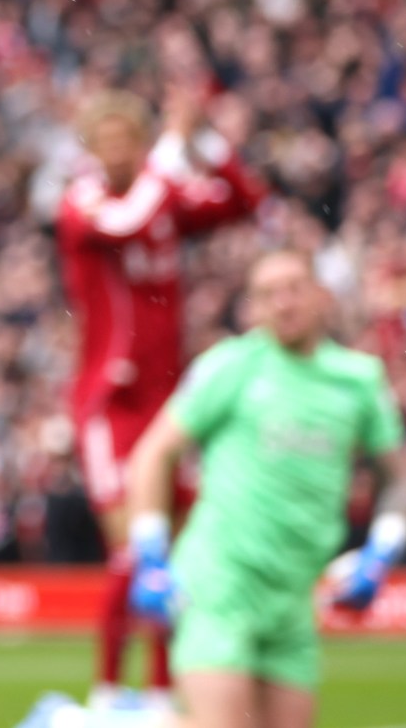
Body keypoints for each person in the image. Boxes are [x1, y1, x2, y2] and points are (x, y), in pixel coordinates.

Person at [125, 251, 406, 728]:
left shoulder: (359, 379)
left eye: (294, 288)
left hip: (294, 598)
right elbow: (153, 455)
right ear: (253, 309)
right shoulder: (230, 367)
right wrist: (151, 556)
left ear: (321, 295)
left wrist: (382, 552)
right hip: (221, 585)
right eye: (267, 294)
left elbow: (400, 476)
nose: (283, 303)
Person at [56, 87, 261, 715]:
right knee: (130, 549)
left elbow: (245, 201)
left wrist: (204, 141)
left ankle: (164, 691)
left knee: (171, 551)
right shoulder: (82, 203)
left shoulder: (161, 191)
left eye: (129, 139)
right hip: (110, 402)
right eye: (107, 141)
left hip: (167, 401)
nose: (118, 151)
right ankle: (111, 692)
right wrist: (173, 151)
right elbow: (129, 222)